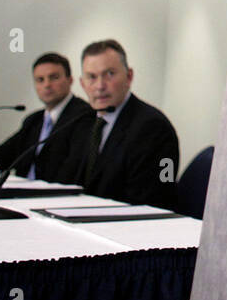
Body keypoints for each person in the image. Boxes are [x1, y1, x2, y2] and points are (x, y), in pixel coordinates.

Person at [60, 39, 179, 210]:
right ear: (82, 84)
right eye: (92, 77)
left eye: (109, 74)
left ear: (129, 76)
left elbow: (149, 201)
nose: (100, 86)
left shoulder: (152, 128)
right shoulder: (84, 123)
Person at [0, 52, 92, 182]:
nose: (46, 85)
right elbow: (8, 150)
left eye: (54, 77)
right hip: (23, 194)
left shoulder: (83, 116)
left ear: (70, 80)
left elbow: (74, 168)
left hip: (54, 196)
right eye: (40, 80)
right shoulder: (34, 120)